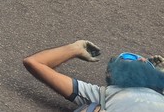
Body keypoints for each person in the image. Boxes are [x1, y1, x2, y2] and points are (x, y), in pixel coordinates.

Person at [24, 40, 164, 111]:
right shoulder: (101, 93)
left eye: (146, 64)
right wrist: (74, 49)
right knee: (94, 109)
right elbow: (34, 62)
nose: (142, 59)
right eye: (130, 58)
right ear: (111, 73)